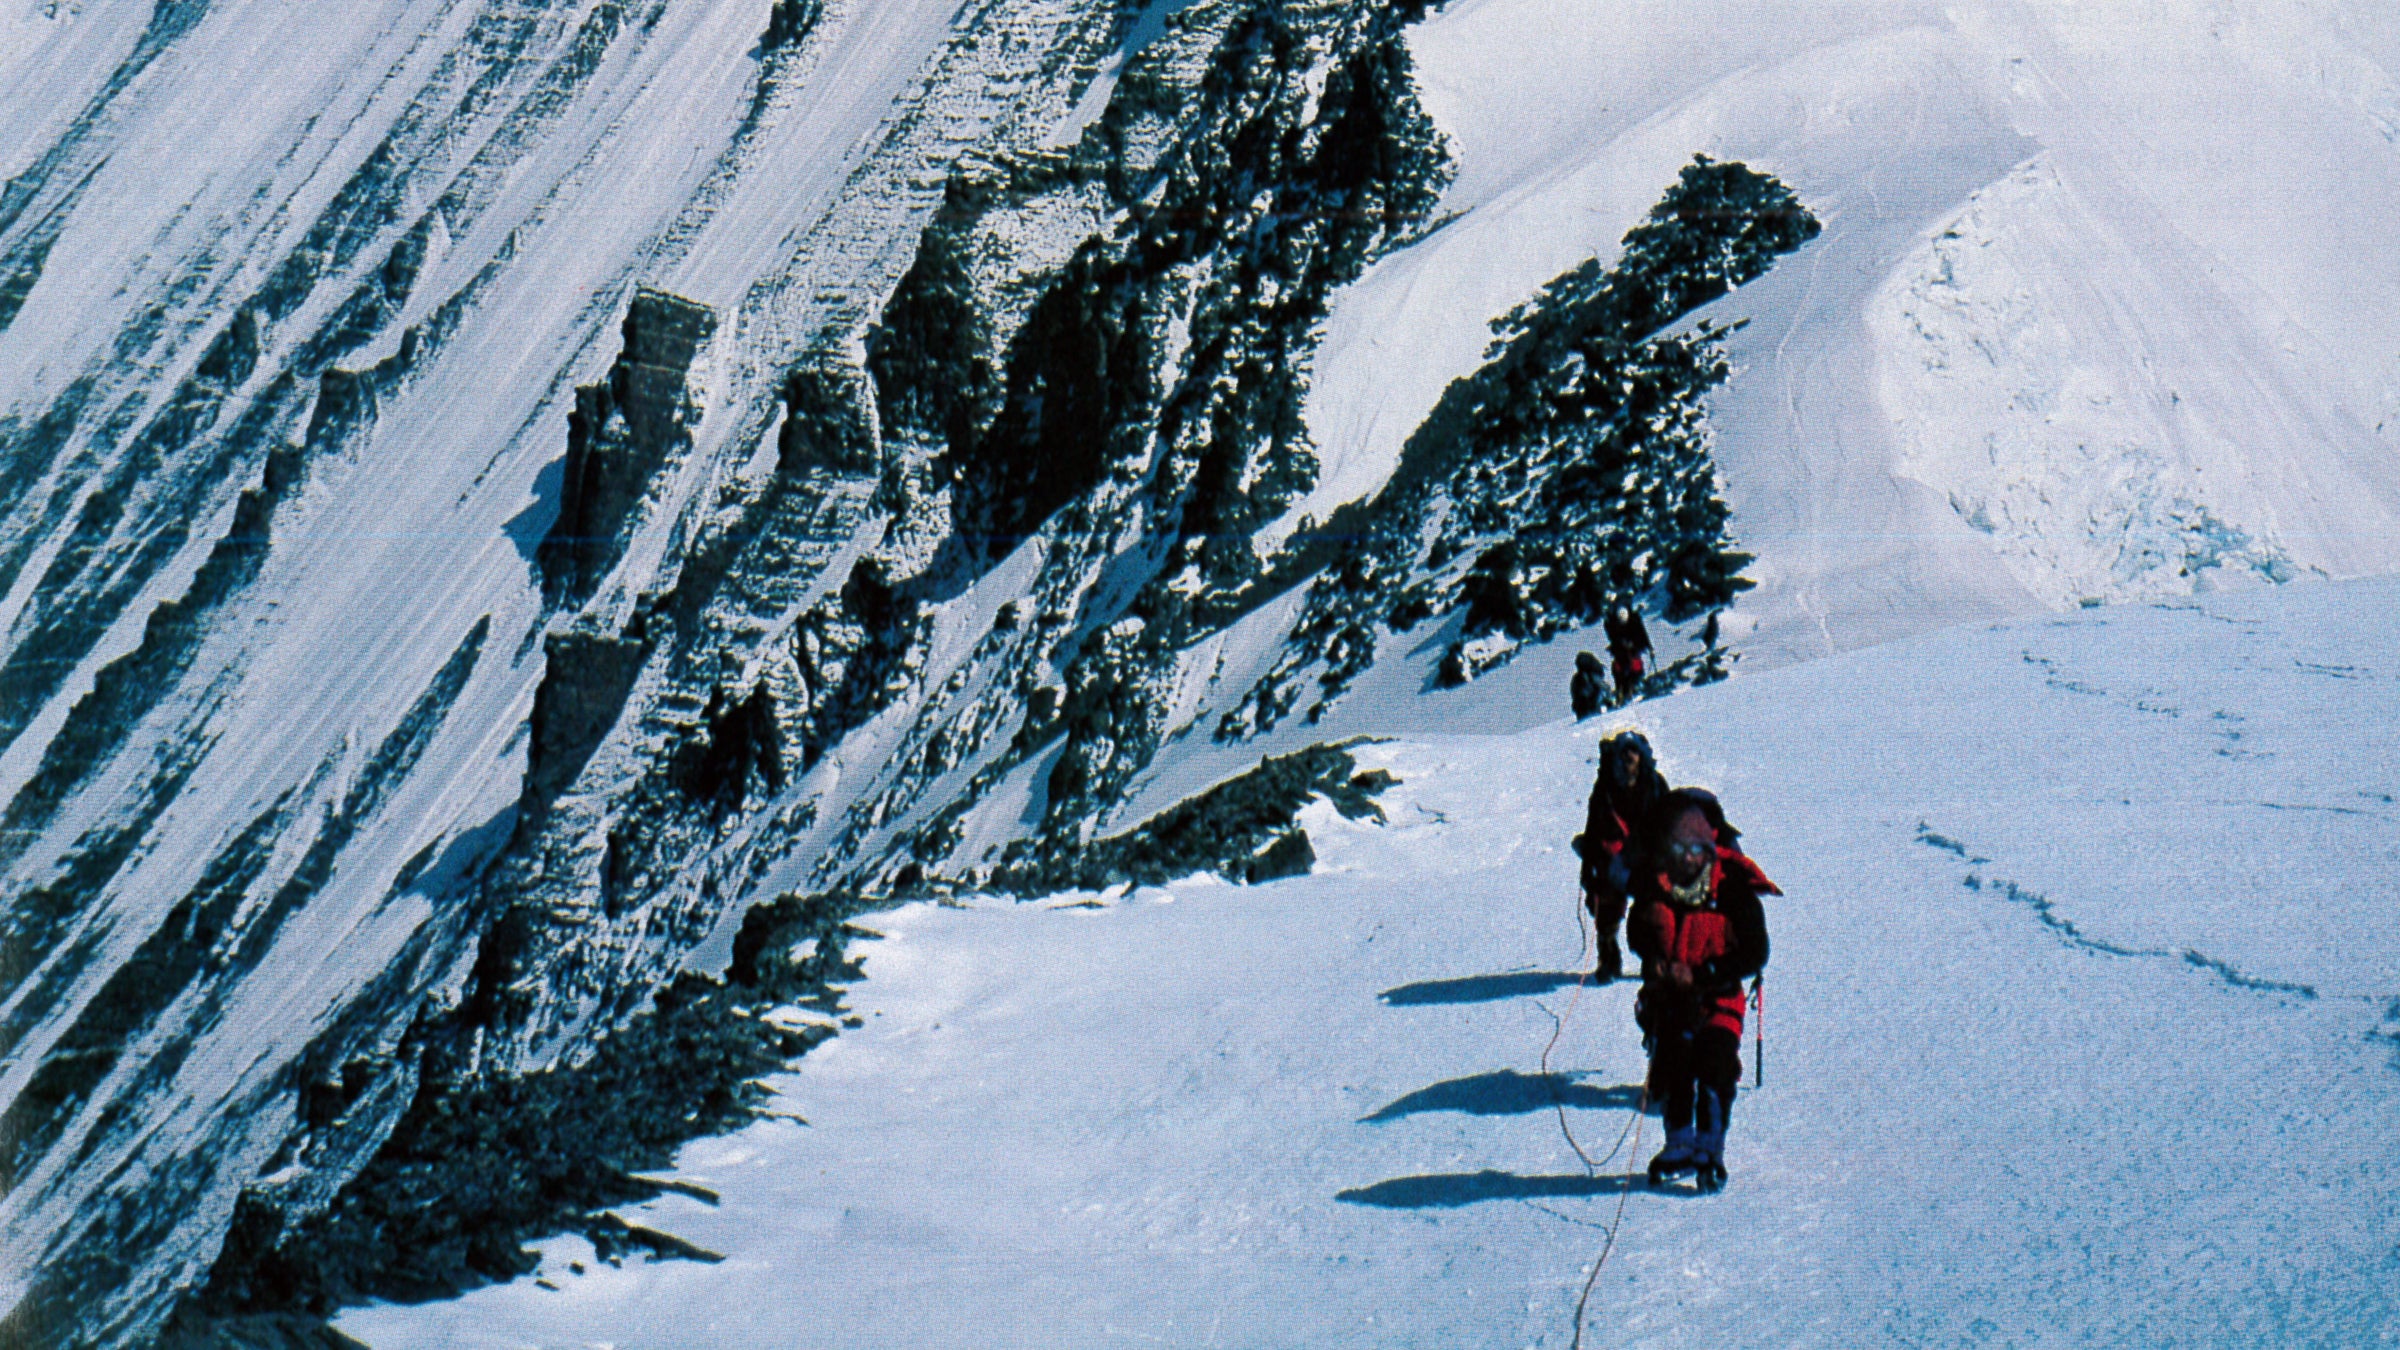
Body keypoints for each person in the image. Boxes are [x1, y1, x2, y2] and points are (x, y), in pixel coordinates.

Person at [1628, 787, 1776, 1192]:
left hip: (1719, 996)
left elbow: (1755, 952)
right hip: (1672, 998)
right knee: (1674, 1064)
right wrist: (1654, 958)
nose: (1688, 857)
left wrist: (1705, 973)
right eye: (1680, 846)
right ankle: (1679, 1144)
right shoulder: (1655, 885)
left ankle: (1710, 1149)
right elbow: (1639, 931)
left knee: (1715, 1066)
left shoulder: (1733, 890)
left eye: (1696, 846)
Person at [1573, 731, 1667, 981]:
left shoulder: (1655, 786)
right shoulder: (1604, 790)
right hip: (1612, 860)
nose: (1628, 757)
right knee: (1605, 904)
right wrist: (1589, 869)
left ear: (1641, 757)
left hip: (1647, 860)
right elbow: (1593, 829)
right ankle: (1609, 958)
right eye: (1623, 752)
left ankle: (1654, 960)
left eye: (1632, 752)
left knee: (1655, 909)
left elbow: (1670, 822)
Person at [1604, 606, 1653, 704]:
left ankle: (1631, 690)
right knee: (1623, 671)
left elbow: (1642, 635)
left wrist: (1648, 647)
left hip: (1632, 652)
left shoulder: (1634, 623)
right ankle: (1625, 692)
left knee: (1633, 670)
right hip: (1622, 654)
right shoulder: (1613, 626)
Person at [1569, 651, 1607, 719]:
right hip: (1588, 706)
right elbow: (1604, 688)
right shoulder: (1587, 676)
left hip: (1586, 707)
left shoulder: (1579, 677)